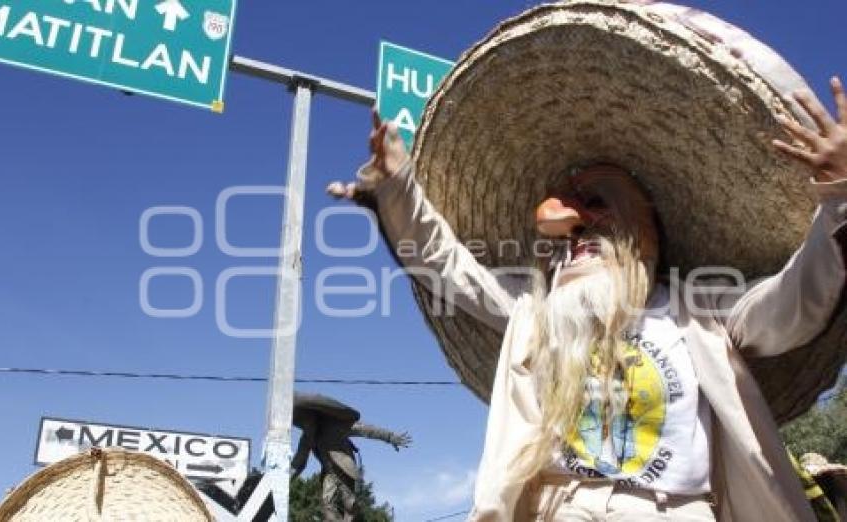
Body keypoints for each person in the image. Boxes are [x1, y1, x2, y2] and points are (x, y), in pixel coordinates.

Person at [328, 4, 847, 520]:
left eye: (597, 205)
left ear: (645, 234)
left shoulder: (700, 310)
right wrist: (398, 188)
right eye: (567, 215)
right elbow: (445, 264)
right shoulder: (536, 308)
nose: (570, 224)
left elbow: (793, 306)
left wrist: (839, 197)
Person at [290, 392, 411, 522]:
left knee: (350, 505)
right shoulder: (307, 438)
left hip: (345, 470)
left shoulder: (334, 427)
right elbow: (298, 463)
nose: (305, 425)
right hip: (329, 473)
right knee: (328, 506)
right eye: (301, 423)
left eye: (306, 420)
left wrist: (390, 437)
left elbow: (366, 430)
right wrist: (279, 481)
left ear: (313, 416)